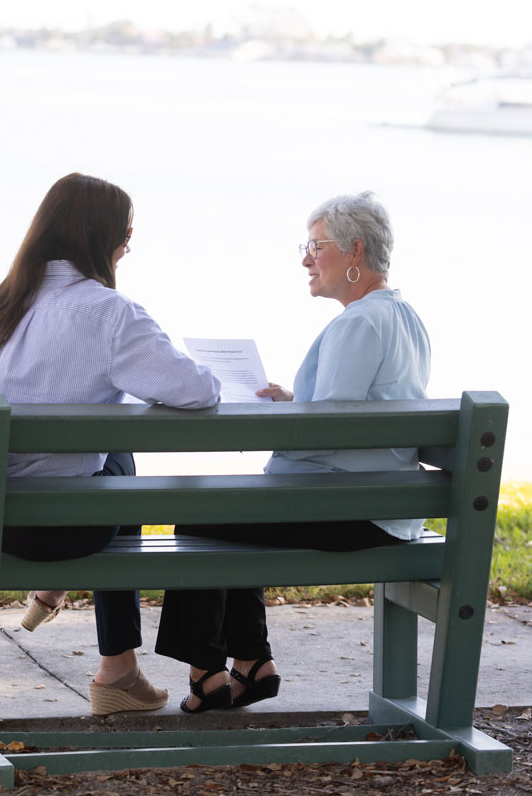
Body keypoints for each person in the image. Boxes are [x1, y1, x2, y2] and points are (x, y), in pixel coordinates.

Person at [155, 191, 431, 713]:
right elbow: (354, 410)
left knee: (196, 518)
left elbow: (324, 434)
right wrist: (294, 402)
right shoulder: (401, 315)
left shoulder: (357, 323)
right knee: (230, 516)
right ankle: (251, 664)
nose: (306, 258)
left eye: (315, 246)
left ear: (354, 251)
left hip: (353, 511)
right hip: (383, 505)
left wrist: (274, 417)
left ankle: (214, 671)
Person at [0, 172, 220, 716]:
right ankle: (116, 669)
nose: (129, 245)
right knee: (118, 459)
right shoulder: (110, 312)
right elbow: (197, 391)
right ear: (100, 237)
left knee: (109, 462)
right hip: (65, 529)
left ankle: (91, 637)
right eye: (126, 234)